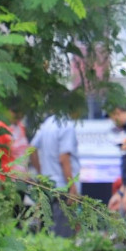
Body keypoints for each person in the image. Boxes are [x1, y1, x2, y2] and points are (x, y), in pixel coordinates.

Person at [30, 97, 82, 237]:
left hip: (48, 185)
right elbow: (64, 157)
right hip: (63, 187)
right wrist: (72, 187)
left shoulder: (47, 123)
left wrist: (41, 172)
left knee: (51, 232)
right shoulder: (66, 125)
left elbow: (31, 149)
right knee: (63, 234)